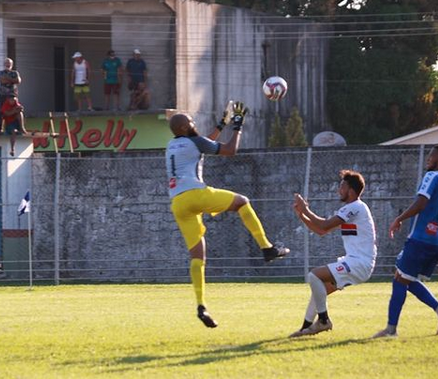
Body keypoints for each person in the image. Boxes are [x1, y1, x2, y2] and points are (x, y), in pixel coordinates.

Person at [166, 102, 289, 328]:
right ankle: (267, 248)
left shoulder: (172, 144)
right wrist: (237, 125)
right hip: (195, 194)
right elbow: (229, 150)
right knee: (243, 202)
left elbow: (205, 143)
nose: (194, 124)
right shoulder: (195, 140)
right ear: (184, 128)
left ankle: (201, 305)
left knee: (197, 256)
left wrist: (221, 124)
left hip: (178, 203)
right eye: (191, 122)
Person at [290, 170, 377, 337]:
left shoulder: (355, 207)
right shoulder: (352, 210)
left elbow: (324, 225)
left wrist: (306, 209)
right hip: (356, 263)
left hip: (359, 263)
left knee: (314, 276)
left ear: (351, 190)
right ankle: (305, 328)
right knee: (319, 290)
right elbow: (321, 230)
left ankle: (323, 321)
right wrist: (302, 214)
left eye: (342, 186)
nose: (339, 190)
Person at [373, 146, 438, 338]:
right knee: (406, 277)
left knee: (400, 278)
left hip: (420, 239)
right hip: (435, 242)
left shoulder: (432, 176)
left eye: (432, 155)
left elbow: (421, 203)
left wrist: (399, 218)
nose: (428, 159)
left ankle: (391, 329)